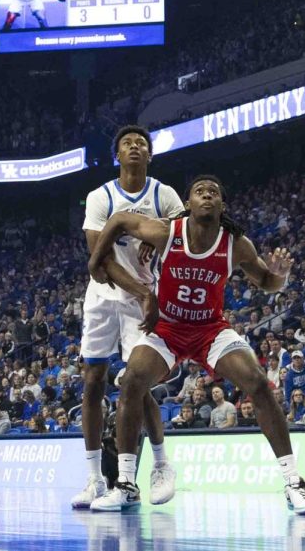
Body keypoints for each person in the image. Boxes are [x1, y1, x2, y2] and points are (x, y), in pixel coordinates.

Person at [87, 175, 305, 515]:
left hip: (209, 329)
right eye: (200, 191)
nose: (207, 195)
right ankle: (125, 484)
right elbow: (120, 218)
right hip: (167, 327)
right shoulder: (168, 233)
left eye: (214, 191)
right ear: (188, 205)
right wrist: (96, 259)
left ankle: (294, 483)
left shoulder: (236, 244)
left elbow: (267, 282)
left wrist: (280, 275)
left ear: (222, 205)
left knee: (256, 381)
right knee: (132, 379)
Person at [72, 125, 184, 510]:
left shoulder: (164, 194)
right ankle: (94, 480)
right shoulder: (99, 196)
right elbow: (98, 261)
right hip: (106, 297)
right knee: (93, 381)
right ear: (117, 154)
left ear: (150, 155)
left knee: (137, 383)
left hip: (146, 301)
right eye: (127, 144)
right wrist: (144, 291)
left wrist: (153, 288)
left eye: (142, 144)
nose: (135, 148)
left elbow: (180, 242)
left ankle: (160, 466)